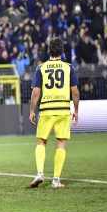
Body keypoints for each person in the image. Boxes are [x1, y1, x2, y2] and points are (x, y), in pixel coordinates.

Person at [29, 37, 79, 188]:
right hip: (63, 110)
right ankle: (56, 180)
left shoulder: (41, 68)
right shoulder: (68, 68)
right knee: (61, 144)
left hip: (46, 110)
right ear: (63, 51)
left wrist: (32, 110)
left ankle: (39, 172)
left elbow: (36, 92)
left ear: (48, 51)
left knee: (41, 141)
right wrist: (76, 110)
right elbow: (75, 92)